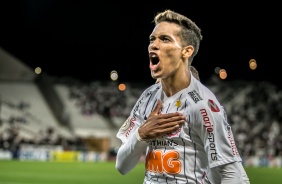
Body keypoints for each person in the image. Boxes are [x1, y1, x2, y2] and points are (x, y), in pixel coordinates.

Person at [115, 9, 250, 184]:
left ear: (186, 51)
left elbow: (233, 175)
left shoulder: (202, 105)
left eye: (164, 39)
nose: (153, 45)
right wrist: (141, 135)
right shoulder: (148, 97)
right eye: (152, 39)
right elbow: (122, 166)